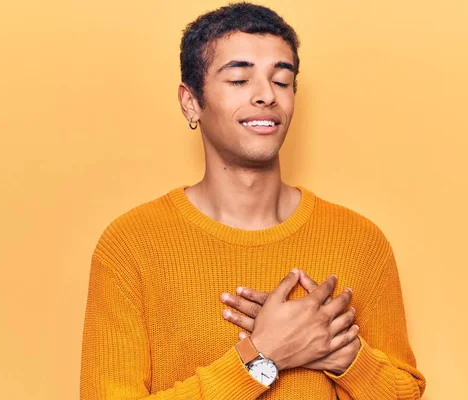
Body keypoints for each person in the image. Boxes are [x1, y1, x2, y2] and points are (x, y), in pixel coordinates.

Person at [80, 2, 426, 399]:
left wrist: (340, 352)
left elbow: (404, 393)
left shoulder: (360, 241)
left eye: (281, 80)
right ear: (190, 101)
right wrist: (264, 355)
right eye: (240, 79)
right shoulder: (131, 246)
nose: (266, 96)